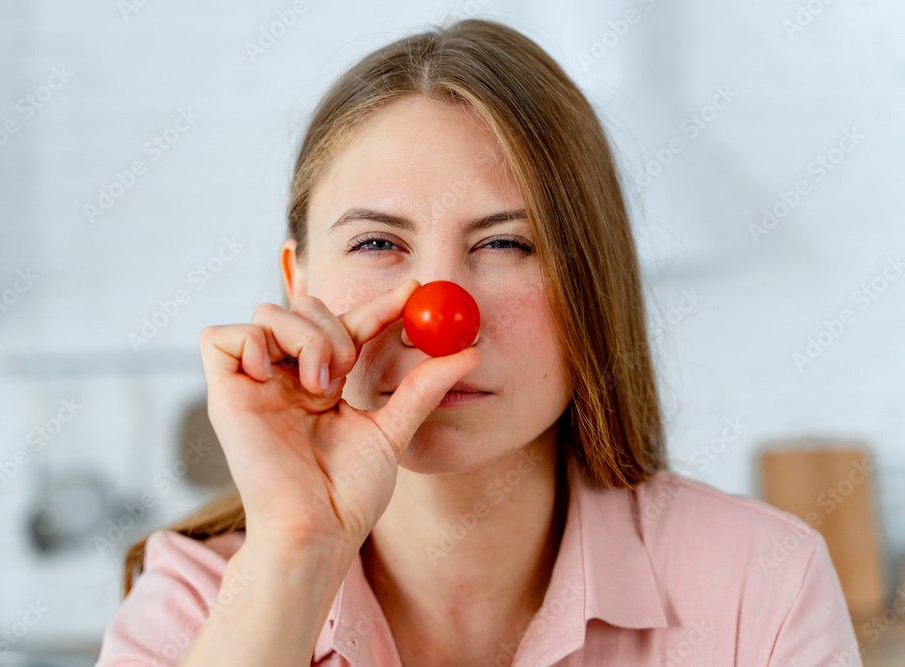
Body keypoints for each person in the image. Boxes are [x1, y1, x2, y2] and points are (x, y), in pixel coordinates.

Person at [95, 17, 862, 667]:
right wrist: (294, 553)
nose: (440, 313)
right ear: (298, 287)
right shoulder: (194, 607)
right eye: (375, 244)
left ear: (592, 283)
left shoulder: (762, 586)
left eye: (505, 245)